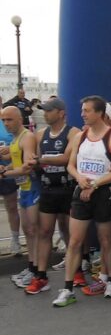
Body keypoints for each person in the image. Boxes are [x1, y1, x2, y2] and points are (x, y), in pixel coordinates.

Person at [53, 96, 111, 307]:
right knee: (75, 241)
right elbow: (71, 165)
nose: (83, 113)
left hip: (103, 193)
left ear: (100, 113)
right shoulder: (80, 136)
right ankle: (67, 288)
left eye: (87, 110)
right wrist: (80, 178)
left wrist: (95, 185)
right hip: (81, 191)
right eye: (82, 110)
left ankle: (110, 280)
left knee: (106, 240)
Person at [25, 98, 78, 294]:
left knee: (69, 233)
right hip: (48, 189)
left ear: (61, 113)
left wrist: (41, 159)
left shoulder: (73, 133)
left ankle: (77, 271)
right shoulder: (40, 134)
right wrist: (33, 160)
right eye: (44, 111)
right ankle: (41, 276)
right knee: (44, 232)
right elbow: (33, 160)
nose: (45, 114)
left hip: (67, 189)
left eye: (49, 110)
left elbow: (67, 158)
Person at [1, 106, 40, 288]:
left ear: (19, 119)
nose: (6, 124)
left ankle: (39, 272)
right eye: (3, 120)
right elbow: (16, 163)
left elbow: (27, 167)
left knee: (35, 231)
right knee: (28, 232)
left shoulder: (27, 137)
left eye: (9, 120)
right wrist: (5, 168)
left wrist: (4, 174)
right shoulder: (16, 139)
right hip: (23, 189)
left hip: (33, 189)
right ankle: (31, 267)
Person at [0, 111, 21, 256]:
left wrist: (9, 149)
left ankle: (15, 240)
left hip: (8, 172)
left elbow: (19, 146)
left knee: (12, 207)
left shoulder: (8, 121)